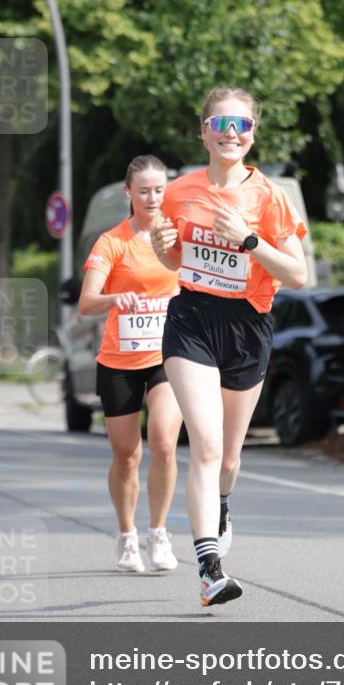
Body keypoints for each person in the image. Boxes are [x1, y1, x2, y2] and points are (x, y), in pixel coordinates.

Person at [151, 87, 308, 607]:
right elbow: (177, 262)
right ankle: (209, 569)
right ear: (204, 132)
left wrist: (249, 239)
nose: (231, 133)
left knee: (229, 458)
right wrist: (164, 249)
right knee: (206, 444)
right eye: (220, 125)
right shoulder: (179, 191)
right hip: (191, 319)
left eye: (241, 125)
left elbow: (299, 275)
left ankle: (221, 504)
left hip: (248, 326)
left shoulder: (270, 197)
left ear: (253, 133)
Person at [79, 155, 182, 573]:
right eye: (144, 190)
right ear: (129, 193)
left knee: (163, 442)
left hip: (167, 355)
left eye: (159, 190)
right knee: (126, 455)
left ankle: (158, 533)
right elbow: (87, 302)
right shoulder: (112, 242)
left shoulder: (176, 238)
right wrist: (114, 298)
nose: (153, 197)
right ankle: (127, 537)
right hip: (120, 359)